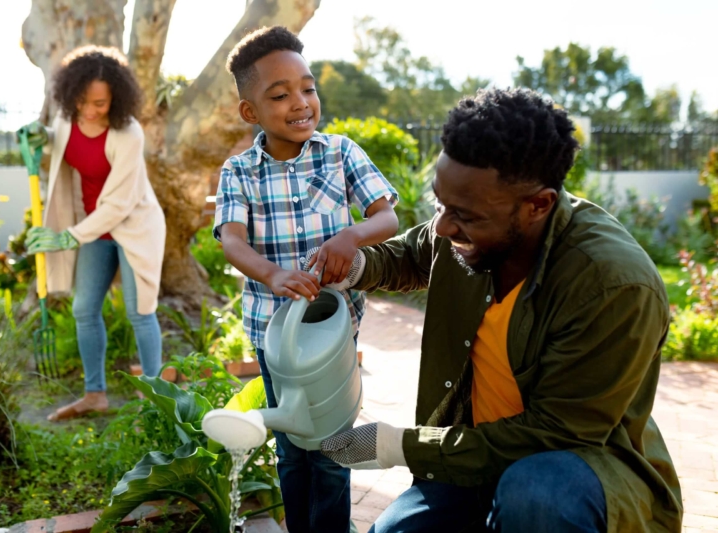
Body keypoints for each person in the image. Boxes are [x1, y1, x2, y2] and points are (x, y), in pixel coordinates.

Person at [320, 88, 683, 533]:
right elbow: (413, 255)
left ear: (538, 205)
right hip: (471, 459)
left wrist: (398, 446)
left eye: (465, 216)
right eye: (440, 203)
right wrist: (347, 266)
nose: (443, 226)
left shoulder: (613, 285)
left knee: (535, 496)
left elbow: (554, 434)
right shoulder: (466, 223)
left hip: (576, 473)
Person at [213, 26, 399, 533]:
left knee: (333, 449)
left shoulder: (340, 152)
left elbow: (387, 217)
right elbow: (231, 240)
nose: (300, 102)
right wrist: (272, 275)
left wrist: (351, 238)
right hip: (276, 337)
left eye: (308, 87)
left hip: (336, 334)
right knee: (294, 447)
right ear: (250, 111)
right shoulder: (239, 172)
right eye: (280, 94)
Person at [20, 45, 166, 422]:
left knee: (139, 312)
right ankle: (94, 395)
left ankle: (156, 400)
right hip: (94, 228)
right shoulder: (69, 120)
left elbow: (118, 206)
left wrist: (67, 237)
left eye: (99, 103)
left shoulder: (128, 133)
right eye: (83, 101)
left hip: (134, 227)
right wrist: (43, 136)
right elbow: (67, 143)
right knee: (84, 308)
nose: (89, 110)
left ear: (116, 98)